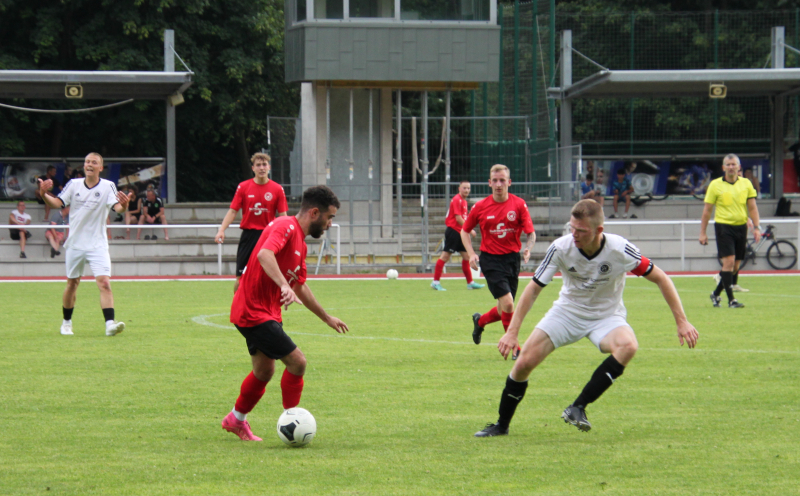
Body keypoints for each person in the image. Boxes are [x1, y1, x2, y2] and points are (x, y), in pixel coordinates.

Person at [474, 199, 699, 437]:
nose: (574, 235)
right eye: (572, 228)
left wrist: (682, 321)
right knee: (523, 364)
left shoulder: (620, 249)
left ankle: (577, 407)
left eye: (581, 231)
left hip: (607, 316)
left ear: (598, 230)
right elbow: (533, 288)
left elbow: (661, 278)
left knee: (628, 345)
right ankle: (501, 425)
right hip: (567, 312)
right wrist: (512, 332)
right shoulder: (561, 247)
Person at [221, 185, 349, 441]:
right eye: (329, 217)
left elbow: (300, 286)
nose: (329, 223)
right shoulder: (285, 226)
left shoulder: (300, 242)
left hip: (264, 312)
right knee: (297, 362)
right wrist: (282, 285)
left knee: (264, 371)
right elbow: (265, 254)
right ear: (315, 213)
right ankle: (293, 420)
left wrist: (326, 317)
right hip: (253, 311)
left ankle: (235, 419)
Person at [37, 152, 132, 336]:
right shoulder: (74, 185)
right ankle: (66, 323)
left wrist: (125, 205)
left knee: (104, 283)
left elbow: (117, 207)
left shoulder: (108, 186)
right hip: (75, 244)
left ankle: (109, 325)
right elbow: (57, 203)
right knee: (72, 284)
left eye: (94, 162)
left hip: (98, 245)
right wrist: (44, 194)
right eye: (87, 161)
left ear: (100, 168)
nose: (89, 164)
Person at [461, 164, 535, 361]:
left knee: (503, 309)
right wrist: (471, 254)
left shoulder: (519, 205)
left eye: (502, 180)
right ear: (489, 183)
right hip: (491, 260)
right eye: (495, 180)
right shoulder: (480, 206)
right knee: (509, 304)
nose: (498, 184)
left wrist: (528, 247)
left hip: (512, 260)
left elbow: (531, 234)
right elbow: (464, 231)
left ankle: (480, 321)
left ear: (509, 182)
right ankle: (515, 346)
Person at [216, 153, 288, 293]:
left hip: (268, 237)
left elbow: (283, 216)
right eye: (258, 165)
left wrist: (285, 237)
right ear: (253, 168)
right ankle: (237, 307)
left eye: (264, 165)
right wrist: (221, 230)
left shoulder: (277, 189)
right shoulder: (243, 187)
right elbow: (233, 211)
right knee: (240, 277)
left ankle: (267, 308)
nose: (262, 168)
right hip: (249, 236)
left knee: (270, 276)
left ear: (269, 167)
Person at [700, 154, 761, 309]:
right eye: (728, 164)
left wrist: (757, 227)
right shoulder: (715, 185)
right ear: (723, 167)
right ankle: (731, 300)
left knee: (735, 267)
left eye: (734, 164)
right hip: (723, 227)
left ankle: (715, 294)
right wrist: (703, 232)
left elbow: (752, 207)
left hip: (741, 227)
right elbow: (707, 210)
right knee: (729, 262)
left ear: (739, 167)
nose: (731, 167)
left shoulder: (746, 184)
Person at [431, 180, 485, 291]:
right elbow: (458, 218)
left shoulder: (464, 201)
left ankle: (470, 283)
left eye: (468, 188)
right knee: (445, 257)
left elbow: (464, 218)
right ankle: (435, 282)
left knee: (466, 257)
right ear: (459, 189)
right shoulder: (457, 200)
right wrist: (469, 230)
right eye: (464, 188)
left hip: (461, 232)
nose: (466, 190)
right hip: (454, 232)